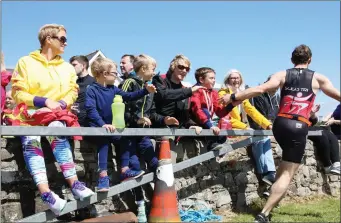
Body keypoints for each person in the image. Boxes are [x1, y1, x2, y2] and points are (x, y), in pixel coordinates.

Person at [219, 44, 340, 222]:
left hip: (280, 124)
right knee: (287, 174)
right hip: (298, 126)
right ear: (310, 60)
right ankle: (263, 214)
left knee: (284, 167)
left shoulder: (282, 74)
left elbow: (260, 89)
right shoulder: (319, 78)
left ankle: (272, 191)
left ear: (292, 60)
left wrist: (233, 98)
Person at [10, 24, 95, 215]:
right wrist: (44, 101)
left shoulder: (66, 67)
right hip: (30, 113)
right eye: (62, 39)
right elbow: (17, 92)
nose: (66, 42)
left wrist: (62, 104)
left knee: (58, 130)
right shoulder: (25, 62)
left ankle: (75, 184)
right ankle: (46, 193)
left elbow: (73, 91)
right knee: (31, 141)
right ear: (49, 39)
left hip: (56, 114)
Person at [84, 57, 156, 192]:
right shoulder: (91, 89)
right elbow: (91, 110)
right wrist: (102, 124)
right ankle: (103, 177)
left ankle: (124, 170)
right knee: (104, 143)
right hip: (98, 128)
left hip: (111, 127)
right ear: (104, 74)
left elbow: (129, 96)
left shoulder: (113, 89)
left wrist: (146, 90)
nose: (117, 75)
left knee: (125, 139)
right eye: (114, 73)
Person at [120, 54, 176, 222]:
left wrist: (164, 119)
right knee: (135, 168)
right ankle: (141, 207)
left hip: (143, 133)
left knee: (155, 164)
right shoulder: (129, 83)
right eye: (153, 68)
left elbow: (150, 112)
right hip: (128, 134)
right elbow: (121, 106)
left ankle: (165, 202)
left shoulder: (150, 87)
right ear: (143, 69)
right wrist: (136, 119)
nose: (155, 71)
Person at [219, 71, 275, 185]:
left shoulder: (241, 94)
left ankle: (269, 173)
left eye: (238, 78)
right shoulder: (223, 94)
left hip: (240, 128)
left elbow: (252, 111)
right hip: (229, 127)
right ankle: (266, 173)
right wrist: (244, 127)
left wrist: (267, 124)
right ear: (227, 80)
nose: (236, 80)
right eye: (232, 78)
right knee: (259, 138)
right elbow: (225, 117)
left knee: (265, 138)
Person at [152, 55, 204, 162]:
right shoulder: (159, 79)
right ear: (173, 66)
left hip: (175, 133)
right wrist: (189, 91)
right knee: (167, 164)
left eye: (187, 69)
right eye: (181, 67)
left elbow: (184, 115)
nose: (184, 71)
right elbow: (164, 95)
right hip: (158, 129)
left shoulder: (183, 89)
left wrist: (192, 125)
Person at [190, 67, 235, 150]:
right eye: (211, 78)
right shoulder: (195, 91)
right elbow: (197, 110)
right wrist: (210, 125)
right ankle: (211, 143)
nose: (214, 80)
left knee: (222, 137)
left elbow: (219, 112)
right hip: (195, 121)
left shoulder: (213, 93)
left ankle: (214, 144)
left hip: (207, 122)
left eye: (214, 78)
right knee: (205, 111)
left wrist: (231, 105)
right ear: (201, 79)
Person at [308, 104, 340, 175]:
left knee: (330, 134)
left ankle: (336, 164)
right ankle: (327, 166)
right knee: (321, 134)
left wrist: (313, 114)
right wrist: (310, 113)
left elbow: (313, 121)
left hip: (309, 128)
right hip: (301, 129)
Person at [69, 55, 95, 127]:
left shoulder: (94, 82)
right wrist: (69, 107)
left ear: (83, 65)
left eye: (74, 65)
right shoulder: (71, 83)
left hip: (89, 125)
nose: (71, 68)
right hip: (73, 123)